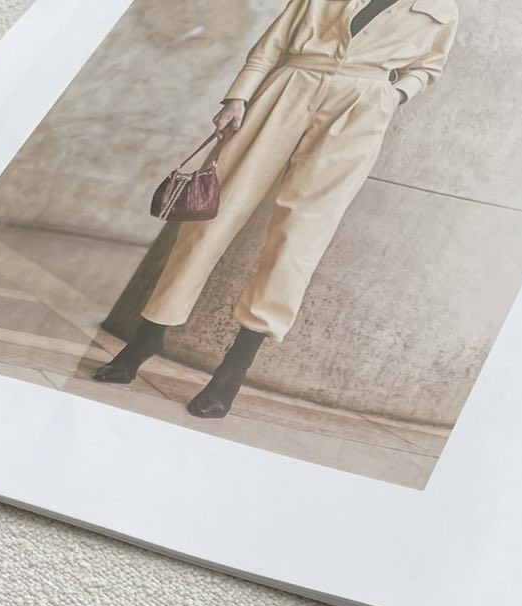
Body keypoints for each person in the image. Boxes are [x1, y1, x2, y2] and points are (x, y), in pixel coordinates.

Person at [95, 0, 457, 418]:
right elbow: (274, 42)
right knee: (210, 218)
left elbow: (428, 67)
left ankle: (234, 369)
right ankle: (149, 335)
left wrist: (394, 95)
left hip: (361, 108)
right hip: (288, 85)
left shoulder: (442, 7)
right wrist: (238, 97)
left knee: (300, 238)